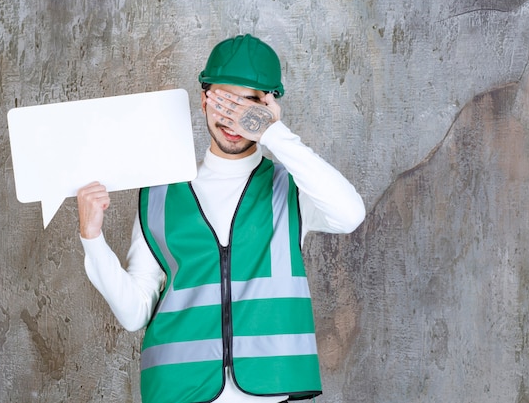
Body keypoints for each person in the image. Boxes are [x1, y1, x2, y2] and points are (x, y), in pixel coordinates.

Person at [77, 34, 365, 403]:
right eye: (224, 100)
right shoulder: (159, 194)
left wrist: (272, 133)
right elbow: (134, 313)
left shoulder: (291, 188)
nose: (234, 117)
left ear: (270, 107)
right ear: (203, 100)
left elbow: (350, 214)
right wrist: (92, 239)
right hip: (178, 391)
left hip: (269, 385)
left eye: (249, 104)